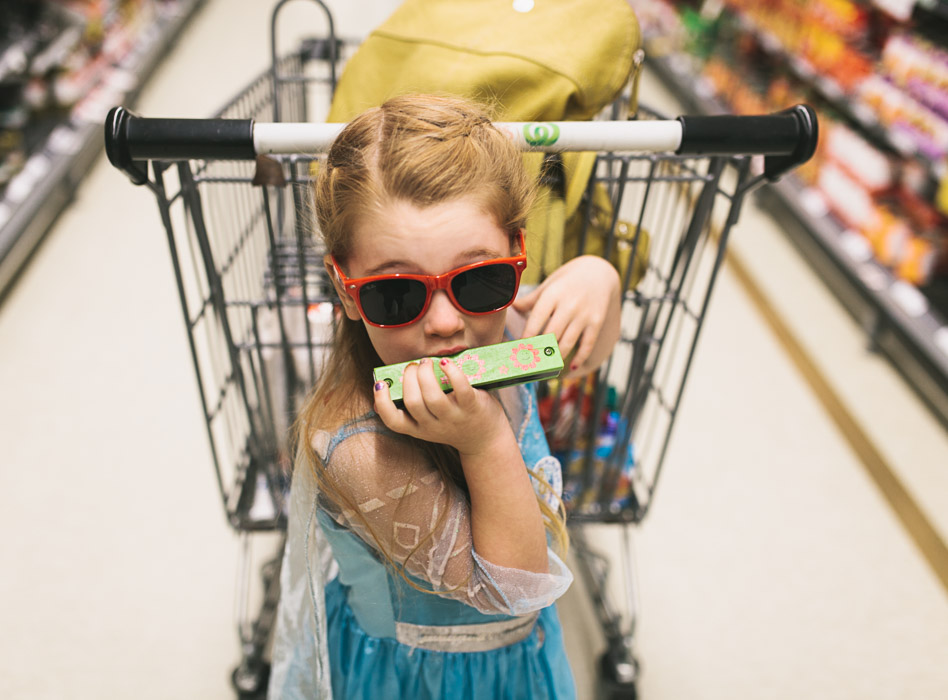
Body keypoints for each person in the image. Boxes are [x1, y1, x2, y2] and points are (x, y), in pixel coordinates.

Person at [268, 94, 622, 700]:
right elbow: (513, 590)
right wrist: (484, 440)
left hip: (524, 665)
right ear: (346, 290)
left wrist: (601, 277)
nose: (444, 324)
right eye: (396, 293)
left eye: (478, 279)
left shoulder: (506, 326)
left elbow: (588, 348)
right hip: (418, 680)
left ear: (516, 254)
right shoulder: (357, 448)